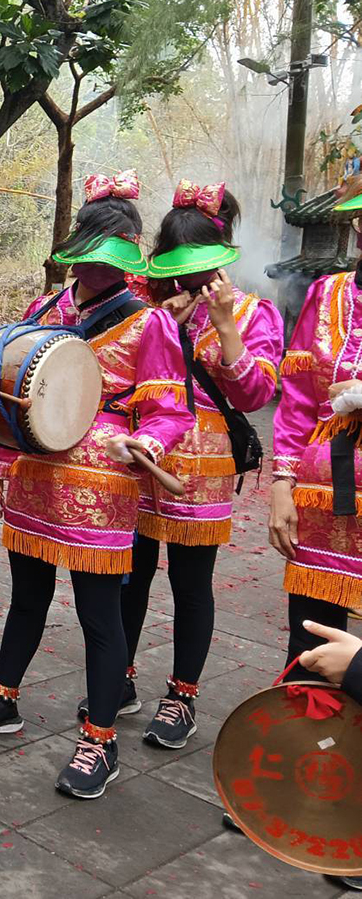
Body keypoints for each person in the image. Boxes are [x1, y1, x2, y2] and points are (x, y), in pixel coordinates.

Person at [0, 170, 193, 800]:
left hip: (99, 490)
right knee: (26, 597)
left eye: (110, 261)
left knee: (98, 615)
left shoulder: (150, 324)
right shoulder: (48, 311)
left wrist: (147, 442)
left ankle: (101, 739)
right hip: (34, 474)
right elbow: (8, 392)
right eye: (87, 257)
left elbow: (170, 411)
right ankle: (3, 699)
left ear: (129, 260)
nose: (94, 270)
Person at [116, 182, 282, 749]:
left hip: (202, 471)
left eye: (200, 265)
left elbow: (256, 394)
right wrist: (160, 321)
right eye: (179, 264)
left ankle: (181, 696)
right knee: (129, 578)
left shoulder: (253, 311)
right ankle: (120, 677)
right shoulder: (144, 302)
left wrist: (225, 323)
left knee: (190, 585)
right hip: (142, 457)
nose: (190, 277)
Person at [269, 190, 362, 683]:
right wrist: (282, 486)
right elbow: (299, 399)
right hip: (321, 500)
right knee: (309, 646)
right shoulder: (327, 293)